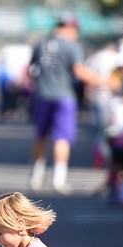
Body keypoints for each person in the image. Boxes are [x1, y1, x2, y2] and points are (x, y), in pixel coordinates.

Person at [28, 15, 101, 193]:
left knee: (41, 135)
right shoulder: (72, 46)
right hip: (64, 97)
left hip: (42, 95)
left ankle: (36, 176)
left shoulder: (40, 44)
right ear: (70, 29)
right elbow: (79, 71)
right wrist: (103, 81)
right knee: (62, 137)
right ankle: (58, 179)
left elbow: (31, 71)